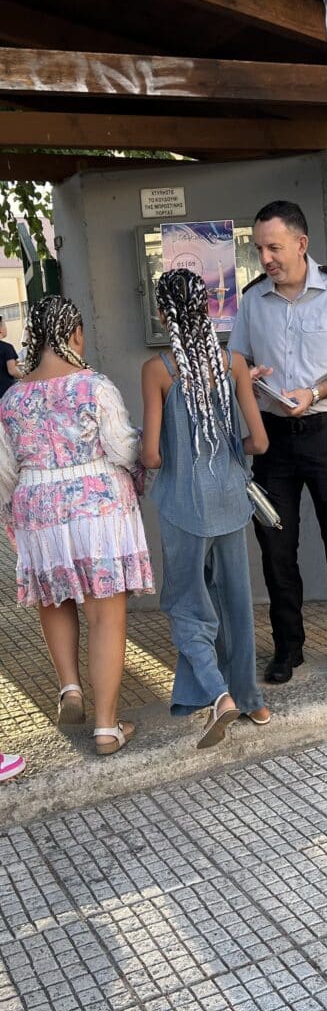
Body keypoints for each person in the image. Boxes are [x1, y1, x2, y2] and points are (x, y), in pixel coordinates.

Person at [228, 200, 327, 686]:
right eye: (259, 248)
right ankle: (288, 647)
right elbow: (236, 363)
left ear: (301, 244)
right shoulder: (253, 300)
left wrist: (314, 392)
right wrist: (247, 377)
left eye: (273, 247)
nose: (265, 257)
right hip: (274, 441)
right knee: (275, 546)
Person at [0, 295, 153, 754]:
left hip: (37, 506)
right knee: (106, 614)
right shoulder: (94, 386)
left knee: (54, 598)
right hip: (97, 506)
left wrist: (13, 513)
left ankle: (69, 686)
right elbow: (122, 446)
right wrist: (139, 470)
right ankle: (106, 727)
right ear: (76, 334)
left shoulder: (12, 398)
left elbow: (4, 471)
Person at [142, 269, 271, 748]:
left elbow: (152, 456)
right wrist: (229, 454)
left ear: (163, 314)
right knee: (236, 603)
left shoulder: (159, 370)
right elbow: (260, 441)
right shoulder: (233, 362)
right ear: (207, 309)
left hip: (183, 506)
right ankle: (252, 699)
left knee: (187, 605)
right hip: (231, 500)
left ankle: (220, 695)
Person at [0, 316, 22, 398]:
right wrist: (23, 376)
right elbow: (12, 371)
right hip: (5, 393)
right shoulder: (7, 347)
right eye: (4, 325)